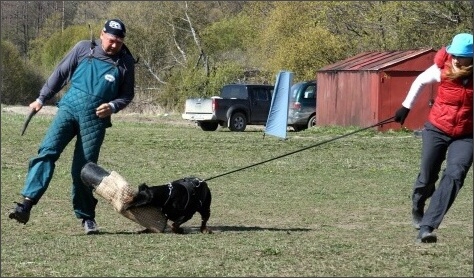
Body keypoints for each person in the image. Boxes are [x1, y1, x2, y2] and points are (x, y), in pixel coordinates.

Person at [9, 19, 136, 235]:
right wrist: (41, 99)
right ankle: (26, 204)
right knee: (47, 152)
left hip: (95, 120)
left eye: (119, 42)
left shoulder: (126, 62)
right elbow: (59, 74)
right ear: (102, 34)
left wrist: (113, 106)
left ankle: (87, 218)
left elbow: (127, 94)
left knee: (84, 169)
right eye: (112, 40)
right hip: (68, 110)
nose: (115, 45)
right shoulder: (83, 48)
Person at [394, 33, 473, 243]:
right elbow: (420, 81)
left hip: (466, 135)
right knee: (428, 176)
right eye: (453, 54)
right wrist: (405, 107)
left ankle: (427, 227)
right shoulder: (443, 68)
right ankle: (418, 204)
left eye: (461, 56)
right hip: (437, 128)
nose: (456, 59)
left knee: (455, 175)